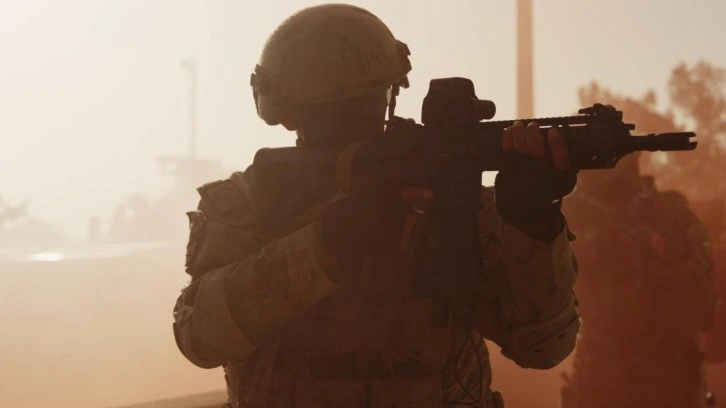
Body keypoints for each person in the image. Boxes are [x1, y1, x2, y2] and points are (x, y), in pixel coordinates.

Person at [173, 4, 581, 407]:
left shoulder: (454, 203)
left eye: (370, 100)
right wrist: (325, 244)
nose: (360, 120)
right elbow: (199, 339)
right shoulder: (249, 204)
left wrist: (531, 220)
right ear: (292, 116)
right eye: (334, 111)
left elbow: (544, 347)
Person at [560, 153, 717, 408]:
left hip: (669, 372)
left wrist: (675, 255)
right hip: (603, 371)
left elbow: (704, 286)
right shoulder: (579, 213)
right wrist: (601, 242)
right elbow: (557, 257)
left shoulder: (669, 210)